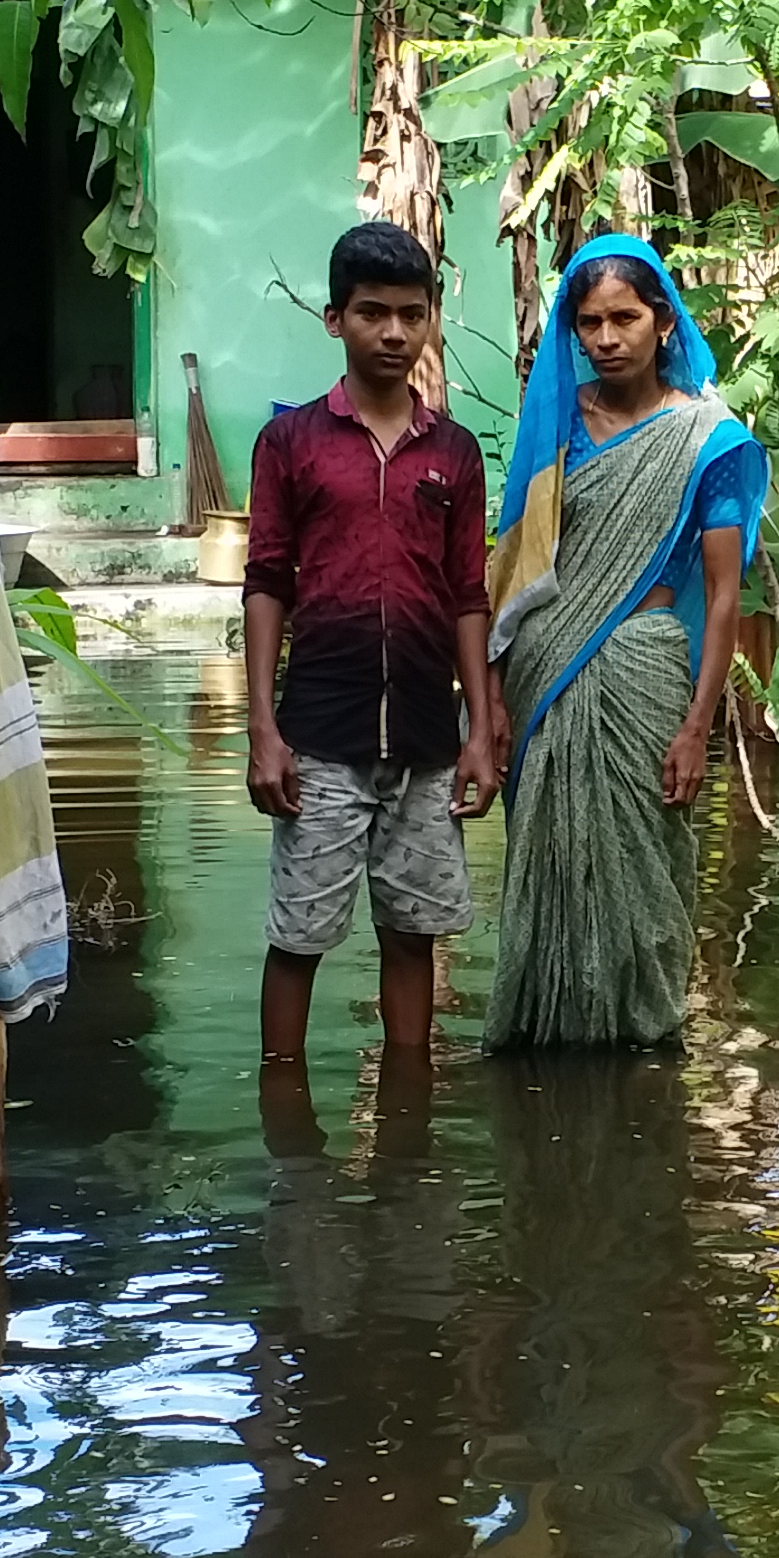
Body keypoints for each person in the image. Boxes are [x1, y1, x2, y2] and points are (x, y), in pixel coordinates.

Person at [483, 235, 766, 1051]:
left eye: (625, 319)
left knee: (644, 866)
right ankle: (548, 1036)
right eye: (590, 323)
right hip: (546, 667)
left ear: (664, 323)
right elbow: (517, 563)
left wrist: (696, 727)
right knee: (550, 863)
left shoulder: (707, 440)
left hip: (645, 672)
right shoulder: (557, 430)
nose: (607, 338)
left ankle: (640, 1039)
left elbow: (721, 598)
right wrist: (494, 697)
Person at [242, 222, 502, 1065]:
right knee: (299, 938)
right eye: (372, 313)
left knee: (413, 935)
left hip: (427, 738)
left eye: (411, 315)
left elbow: (469, 597)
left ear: (431, 320)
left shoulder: (455, 454)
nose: (393, 333)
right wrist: (262, 731)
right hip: (320, 732)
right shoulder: (290, 445)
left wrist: (480, 732)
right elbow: (268, 583)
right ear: (334, 320)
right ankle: (283, 1113)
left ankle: (408, 1118)